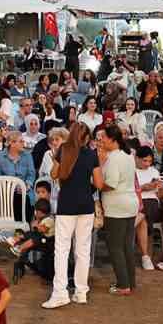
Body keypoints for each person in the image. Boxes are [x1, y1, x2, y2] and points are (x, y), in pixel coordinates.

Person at [43, 122, 104, 309]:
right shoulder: (90, 155)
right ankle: (81, 291)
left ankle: (60, 292)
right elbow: (99, 184)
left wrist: (55, 160)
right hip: (85, 204)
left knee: (62, 250)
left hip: (66, 205)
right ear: (86, 138)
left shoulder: (63, 150)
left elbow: (54, 175)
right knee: (82, 250)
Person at [97, 123, 138, 295]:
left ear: (112, 139)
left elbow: (110, 184)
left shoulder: (114, 158)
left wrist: (97, 185)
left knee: (115, 246)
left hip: (116, 205)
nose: (101, 140)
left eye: (104, 138)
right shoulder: (127, 155)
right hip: (130, 203)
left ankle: (123, 285)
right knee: (127, 245)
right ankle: (130, 282)